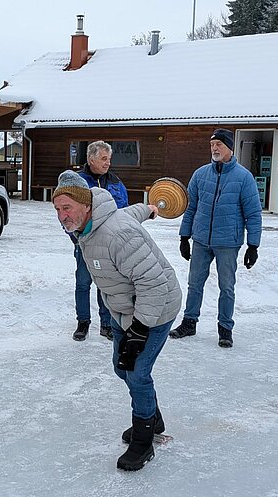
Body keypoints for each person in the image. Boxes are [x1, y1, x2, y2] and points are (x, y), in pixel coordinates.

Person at [52, 170, 181, 472]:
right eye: (57, 209)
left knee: (136, 372)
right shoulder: (93, 223)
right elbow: (132, 212)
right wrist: (150, 209)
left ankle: (144, 440)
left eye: (67, 207)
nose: (61, 216)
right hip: (124, 309)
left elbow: (153, 283)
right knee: (121, 368)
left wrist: (139, 330)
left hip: (156, 308)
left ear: (86, 205)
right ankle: (153, 418)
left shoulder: (116, 235)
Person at [171, 128, 262, 347]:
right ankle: (189, 322)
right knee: (194, 284)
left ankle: (225, 328)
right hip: (201, 240)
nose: (214, 148)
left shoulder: (244, 177)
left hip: (228, 243)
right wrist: (184, 236)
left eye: (219, 144)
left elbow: (253, 213)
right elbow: (190, 208)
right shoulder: (200, 174)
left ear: (230, 147)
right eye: (212, 145)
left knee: (226, 287)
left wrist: (253, 245)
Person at [71, 140, 129, 341]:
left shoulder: (115, 182)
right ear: (91, 159)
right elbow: (67, 212)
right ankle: (83, 323)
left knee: (106, 285)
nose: (108, 163)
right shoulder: (77, 182)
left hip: (108, 245)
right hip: (84, 243)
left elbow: (123, 211)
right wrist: (76, 237)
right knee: (83, 283)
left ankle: (107, 324)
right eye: (104, 159)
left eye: (109, 159)